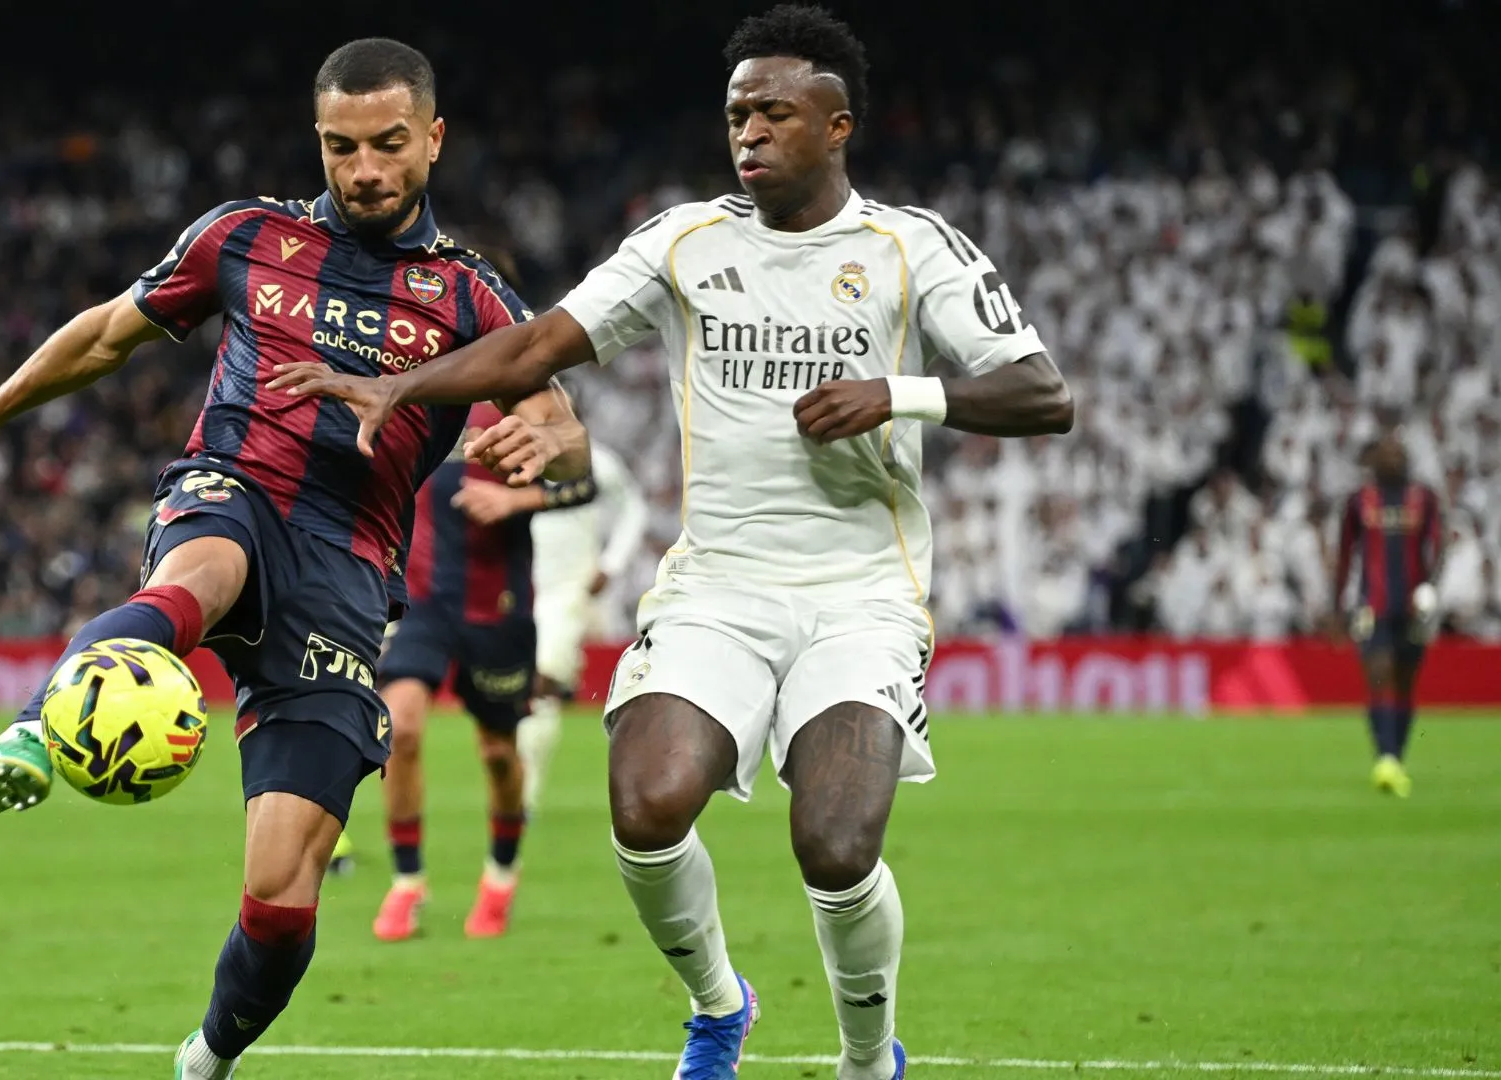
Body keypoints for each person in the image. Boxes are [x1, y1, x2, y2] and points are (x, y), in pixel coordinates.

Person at [271, 7, 1073, 1079]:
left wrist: (899, 393)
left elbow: (1042, 393)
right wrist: (398, 384)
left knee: (834, 844)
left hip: (859, 595)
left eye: (775, 113)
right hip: (715, 590)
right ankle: (717, 1005)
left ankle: (867, 1057)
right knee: (645, 806)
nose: (748, 133)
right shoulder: (684, 241)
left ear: (838, 126)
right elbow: (541, 341)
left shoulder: (909, 248)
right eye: (738, 113)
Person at [0, 38, 588, 1080]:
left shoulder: (471, 297)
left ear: (434, 141)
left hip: (350, 572)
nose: (363, 170)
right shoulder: (244, 236)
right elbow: (105, 336)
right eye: (340, 146)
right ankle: (45, 726)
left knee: (280, 894)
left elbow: (557, 413)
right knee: (198, 572)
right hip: (236, 488)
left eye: (389, 145)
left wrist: (548, 440)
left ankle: (208, 1058)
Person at [370, 400, 598, 942]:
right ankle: (407, 883)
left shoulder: (527, 392)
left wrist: (517, 498)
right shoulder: (418, 380)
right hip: (421, 602)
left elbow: (586, 483)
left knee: (498, 754)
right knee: (399, 729)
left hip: (498, 606)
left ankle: (500, 877)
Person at [521, 439, 650, 810]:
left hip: (567, 591)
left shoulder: (596, 461)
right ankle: (518, 790)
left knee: (541, 681)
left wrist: (611, 564)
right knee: (521, 690)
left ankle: (525, 796)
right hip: (517, 587)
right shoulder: (517, 454)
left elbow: (633, 508)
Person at [1333, 432, 1442, 798]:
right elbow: (1346, 553)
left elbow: (1438, 544)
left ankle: (1395, 757)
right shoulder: (1358, 501)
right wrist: (1337, 605)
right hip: (1372, 605)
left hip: (1413, 607)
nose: (1392, 459)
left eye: (1398, 453)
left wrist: (1430, 586)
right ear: (1374, 460)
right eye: (1385, 453)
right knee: (1379, 676)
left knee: (1406, 682)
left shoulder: (1423, 498)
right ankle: (1385, 759)